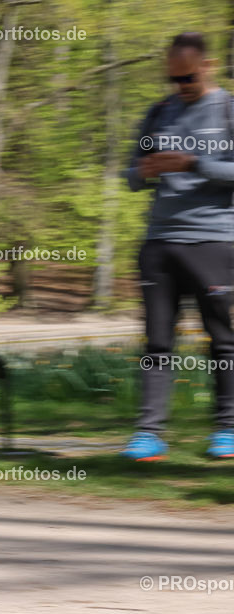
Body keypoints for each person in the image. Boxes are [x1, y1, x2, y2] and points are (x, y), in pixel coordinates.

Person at [123, 32, 234, 461]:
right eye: (173, 78)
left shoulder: (227, 110)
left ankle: (227, 429)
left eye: (187, 77)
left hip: (213, 242)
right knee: (157, 343)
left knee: (222, 341)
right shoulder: (159, 113)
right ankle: (148, 434)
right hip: (159, 243)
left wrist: (194, 164)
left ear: (206, 66)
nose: (180, 86)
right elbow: (129, 176)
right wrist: (143, 170)